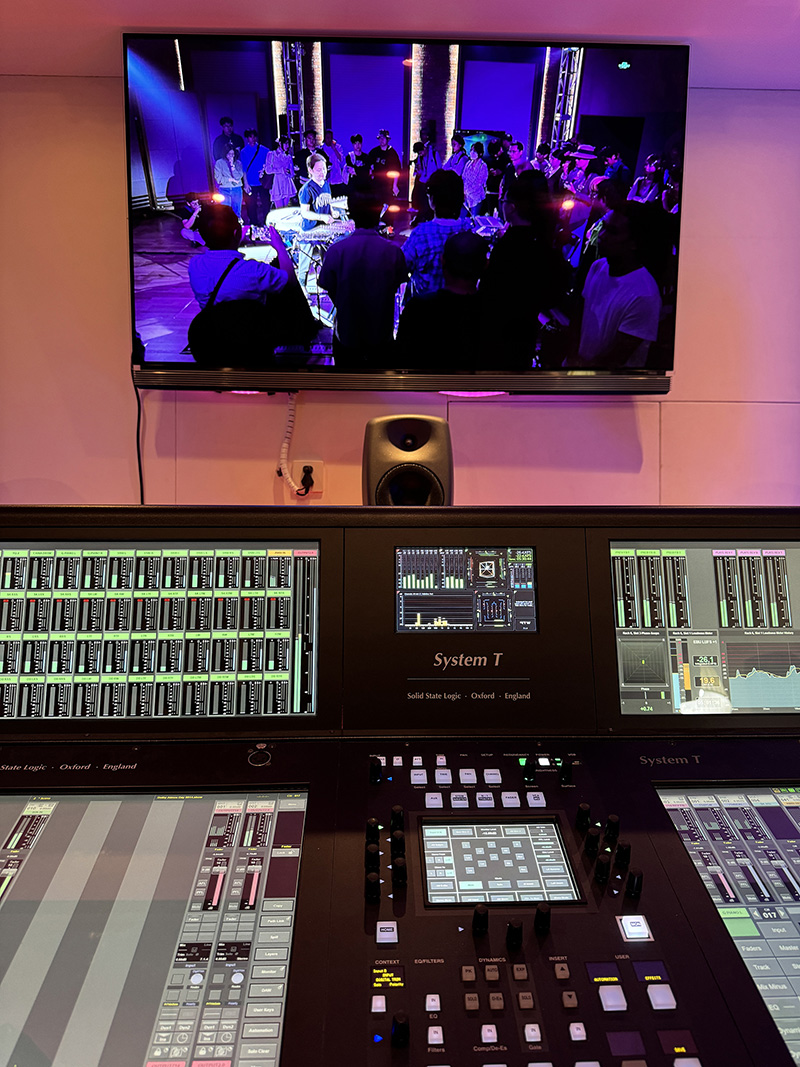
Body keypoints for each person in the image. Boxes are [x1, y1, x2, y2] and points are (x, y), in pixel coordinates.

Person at [480, 172, 566, 370]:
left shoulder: (509, 245)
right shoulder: (542, 240)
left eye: (504, 200)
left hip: (503, 328)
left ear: (511, 207)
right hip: (527, 327)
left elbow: (491, 290)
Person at [566, 201, 661, 369]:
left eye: (612, 232)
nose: (601, 235)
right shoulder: (598, 266)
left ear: (634, 243)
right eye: (603, 227)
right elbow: (580, 315)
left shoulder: (644, 295)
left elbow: (616, 358)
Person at [317, 191, 407, 366]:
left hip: (347, 335)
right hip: (381, 335)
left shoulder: (336, 251)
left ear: (350, 213)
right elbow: (397, 284)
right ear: (379, 213)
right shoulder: (393, 251)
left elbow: (328, 286)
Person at [396, 231, 488, 368]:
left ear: (442, 261)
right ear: (485, 265)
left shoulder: (418, 310)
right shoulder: (493, 314)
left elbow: (401, 361)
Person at [188, 204, 294, 309]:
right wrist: (280, 247)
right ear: (236, 233)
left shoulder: (195, 265)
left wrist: (235, 240)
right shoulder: (255, 270)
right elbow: (290, 282)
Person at [403, 169, 472, 299]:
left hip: (425, 305)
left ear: (432, 199)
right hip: (463, 306)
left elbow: (402, 266)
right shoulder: (468, 230)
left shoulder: (421, 234)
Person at [298, 153, 339, 231]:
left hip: (324, 226)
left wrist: (332, 212)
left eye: (324, 169)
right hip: (312, 228)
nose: (322, 172)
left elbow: (328, 202)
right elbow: (305, 213)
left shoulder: (326, 184)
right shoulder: (306, 189)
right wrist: (321, 217)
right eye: (319, 170)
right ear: (310, 170)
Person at [409, 131, 441, 223]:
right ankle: (422, 217)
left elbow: (439, 168)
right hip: (424, 181)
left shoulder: (434, 153)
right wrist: (417, 170)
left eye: (420, 152)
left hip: (433, 181)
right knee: (422, 201)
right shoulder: (420, 157)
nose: (420, 154)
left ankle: (430, 218)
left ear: (424, 148)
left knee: (431, 202)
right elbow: (421, 171)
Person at [240, 130, 269, 228]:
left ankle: (266, 223)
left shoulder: (264, 150)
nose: (252, 139)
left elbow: (269, 163)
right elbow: (244, 169)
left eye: (254, 137)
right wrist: (246, 183)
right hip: (250, 182)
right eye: (250, 137)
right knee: (251, 205)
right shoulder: (243, 152)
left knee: (266, 204)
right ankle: (254, 225)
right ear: (247, 138)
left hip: (263, 182)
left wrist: (264, 170)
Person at [264, 136, 296, 210]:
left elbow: (292, 173)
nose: (287, 146)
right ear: (280, 143)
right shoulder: (272, 154)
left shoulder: (288, 156)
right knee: (279, 209)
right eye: (285, 143)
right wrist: (281, 170)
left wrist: (291, 171)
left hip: (287, 183)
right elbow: (268, 170)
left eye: (288, 144)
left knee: (285, 209)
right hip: (277, 183)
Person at [369, 129, 401, 201]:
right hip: (376, 184)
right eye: (380, 138)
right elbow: (368, 164)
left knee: (387, 203)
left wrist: (395, 185)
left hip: (387, 184)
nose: (381, 140)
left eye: (383, 138)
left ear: (387, 139)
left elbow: (396, 170)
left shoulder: (392, 153)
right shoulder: (374, 152)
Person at [214, 147, 244, 219]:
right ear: (225, 153)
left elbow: (238, 176)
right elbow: (219, 179)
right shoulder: (219, 163)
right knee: (225, 211)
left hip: (236, 189)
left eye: (233, 154)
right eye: (229, 154)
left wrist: (232, 166)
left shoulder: (238, 163)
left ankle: (238, 225)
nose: (231, 156)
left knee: (237, 212)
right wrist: (230, 179)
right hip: (224, 189)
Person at [318, 129, 347, 196]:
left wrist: (334, 149)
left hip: (337, 177)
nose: (329, 139)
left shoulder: (338, 147)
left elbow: (341, 159)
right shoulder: (321, 149)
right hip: (327, 178)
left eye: (330, 137)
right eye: (327, 137)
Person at [463, 142, 489, 214]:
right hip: (466, 197)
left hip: (476, 197)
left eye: (474, 151)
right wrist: (464, 191)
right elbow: (463, 177)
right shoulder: (468, 164)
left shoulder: (483, 166)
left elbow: (479, 182)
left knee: (475, 217)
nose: (472, 152)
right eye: (471, 150)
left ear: (480, 153)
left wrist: (468, 190)